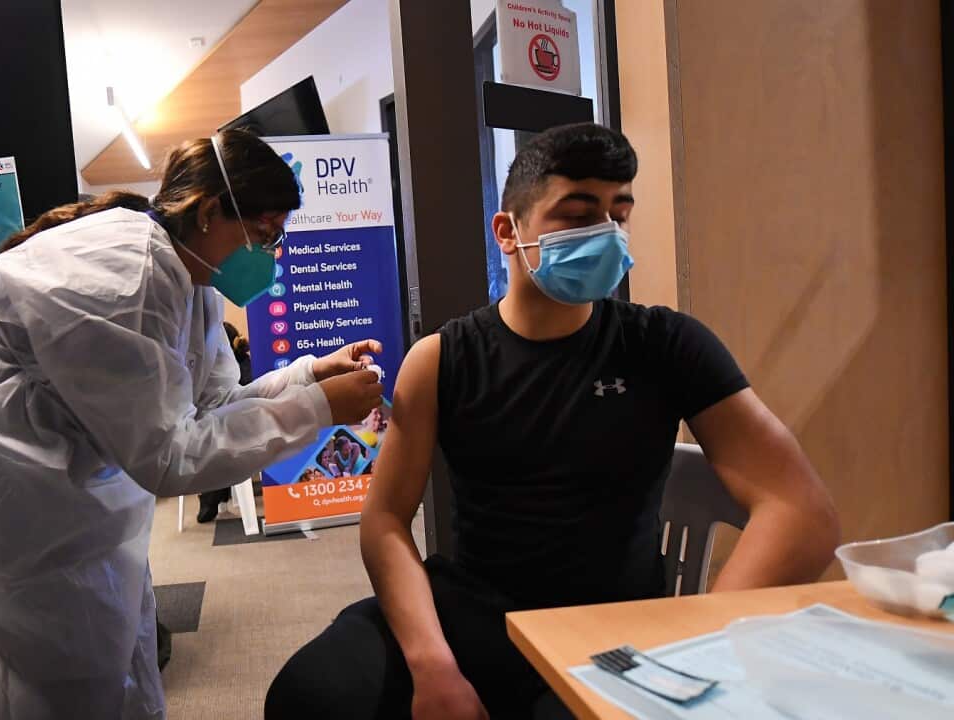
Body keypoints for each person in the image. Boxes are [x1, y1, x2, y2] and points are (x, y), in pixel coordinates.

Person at [265, 123, 840, 719]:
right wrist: (431, 663)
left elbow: (800, 512)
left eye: (619, 213)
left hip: (609, 632)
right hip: (470, 613)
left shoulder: (667, 345)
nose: (607, 234)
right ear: (508, 232)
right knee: (309, 695)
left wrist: (696, 650)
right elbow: (385, 519)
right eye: (579, 213)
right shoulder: (442, 359)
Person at [0, 129, 385, 720]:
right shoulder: (136, 270)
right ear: (210, 212)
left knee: (88, 644)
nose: (272, 254)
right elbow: (170, 457)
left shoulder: (193, 284)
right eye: (264, 233)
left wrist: (311, 378)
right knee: (12, 658)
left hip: (17, 461)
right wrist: (319, 409)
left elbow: (213, 406)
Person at [197, 321, 253, 522]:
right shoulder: (239, 363)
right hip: (226, 425)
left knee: (217, 440)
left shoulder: (233, 366)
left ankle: (212, 497)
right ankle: (215, 495)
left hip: (240, 425)